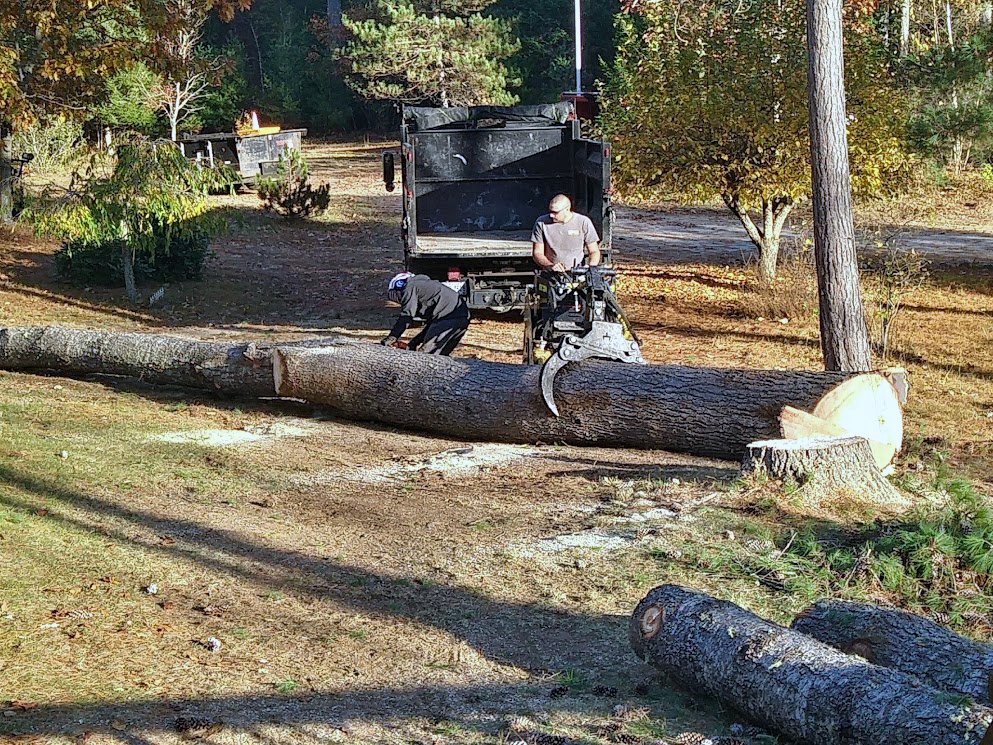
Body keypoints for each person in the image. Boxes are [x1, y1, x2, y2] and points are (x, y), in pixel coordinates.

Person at [381, 272, 470, 355]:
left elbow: (406, 316)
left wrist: (392, 337)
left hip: (450, 318)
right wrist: (413, 343)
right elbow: (432, 327)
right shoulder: (423, 288)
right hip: (462, 317)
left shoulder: (410, 287)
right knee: (442, 359)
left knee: (426, 357)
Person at [531, 194, 601, 272]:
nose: (551, 215)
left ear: (567, 209)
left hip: (577, 273)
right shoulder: (541, 223)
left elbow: (594, 251)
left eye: (555, 212)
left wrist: (590, 269)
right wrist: (550, 265)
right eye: (550, 211)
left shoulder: (583, 222)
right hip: (551, 273)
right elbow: (537, 253)